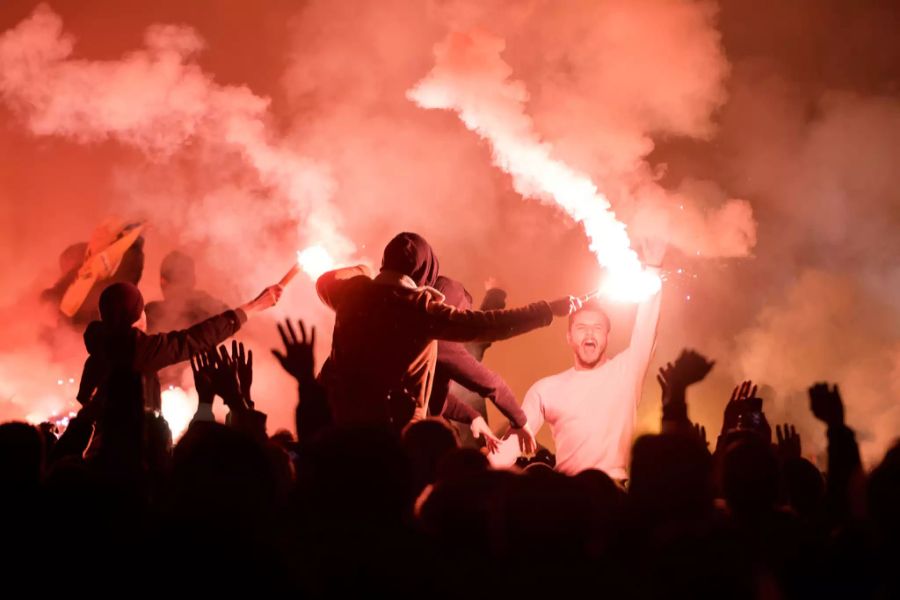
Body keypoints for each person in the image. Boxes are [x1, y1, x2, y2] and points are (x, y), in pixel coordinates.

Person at [315, 232, 582, 432]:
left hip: (337, 424)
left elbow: (325, 281)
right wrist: (548, 310)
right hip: (392, 435)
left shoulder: (351, 292)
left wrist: (364, 270)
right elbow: (488, 325)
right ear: (425, 271)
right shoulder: (420, 309)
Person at [489, 240, 665, 480]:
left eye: (597, 328)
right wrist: (474, 473)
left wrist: (653, 268)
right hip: (567, 499)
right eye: (582, 327)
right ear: (569, 337)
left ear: (607, 336)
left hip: (612, 494)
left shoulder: (627, 371)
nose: (590, 334)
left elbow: (647, 328)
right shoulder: (546, 389)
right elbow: (511, 446)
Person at [430, 275, 535, 453]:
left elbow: (435, 397)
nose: (465, 321)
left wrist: (472, 416)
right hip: (430, 443)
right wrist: (521, 421)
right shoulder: (444, 344)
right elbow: (492, 383)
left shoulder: (419, 336)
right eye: (463, 313)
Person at [145, 250, 229, 334]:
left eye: (189, 277)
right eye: (183, 277)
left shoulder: (205, 305)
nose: (193, 282)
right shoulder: (151, 312)